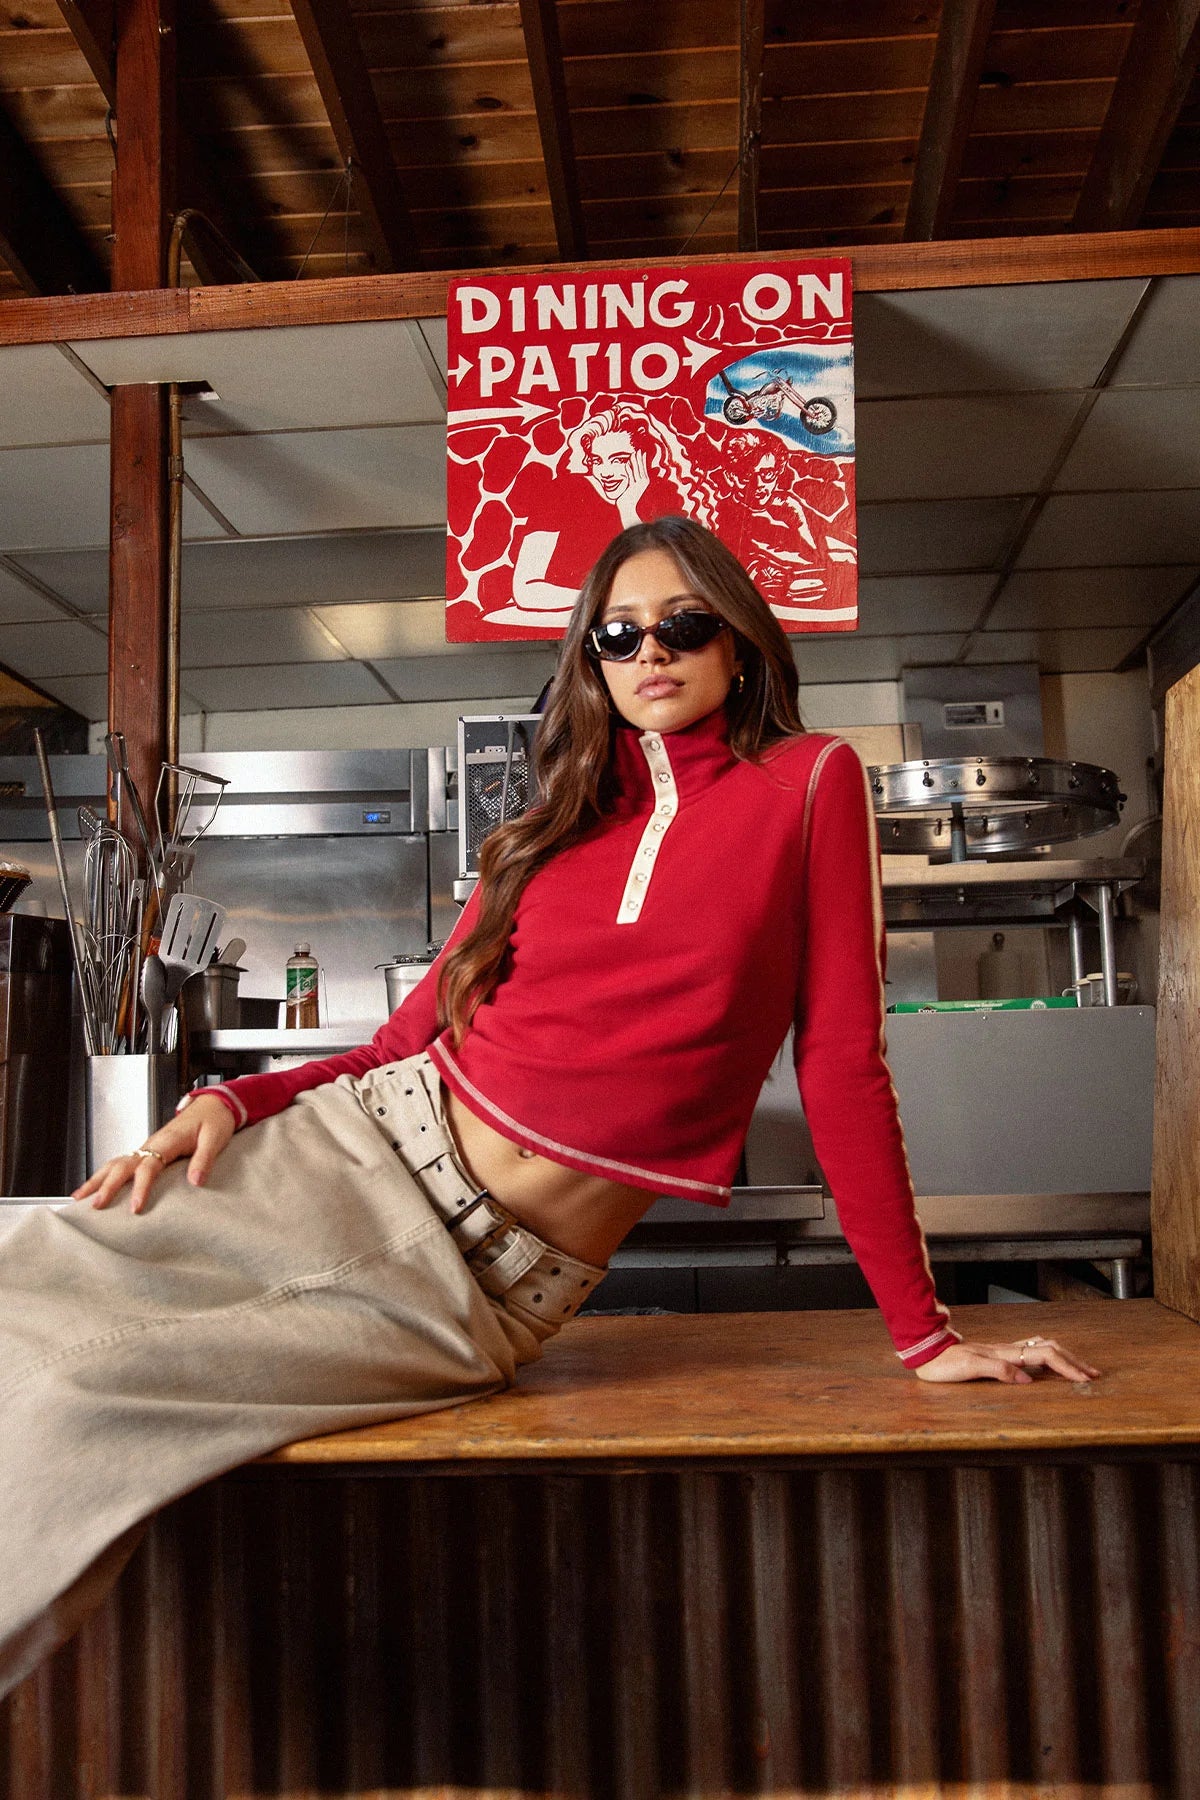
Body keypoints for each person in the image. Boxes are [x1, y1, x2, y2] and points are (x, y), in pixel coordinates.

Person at [0, 516, 1099, 1700]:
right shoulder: (550, 822)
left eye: (683, 625)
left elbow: (841, 1065)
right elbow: (399, 1042)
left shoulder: (811, 780)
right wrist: (232, 1095)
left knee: (77, 1403)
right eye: (617, 635)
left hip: (467, 1280)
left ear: (739, 642)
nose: (649, 652)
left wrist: (924, 1335)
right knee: (30, 1276)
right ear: (591, 661)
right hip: (350, 1148)